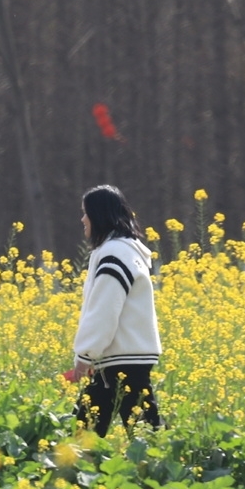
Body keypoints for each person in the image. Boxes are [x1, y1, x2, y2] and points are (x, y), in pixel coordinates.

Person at [69, 185, 162, 434]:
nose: (82, 219)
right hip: (116, 358)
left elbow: (104, 309)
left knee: (146, 433)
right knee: (84, 430)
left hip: (122, 359)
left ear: (98, 215)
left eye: (85, 213)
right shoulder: (123, 250)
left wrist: (85, 355)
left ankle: (171, 471)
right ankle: (74, 469)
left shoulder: (115, 253)